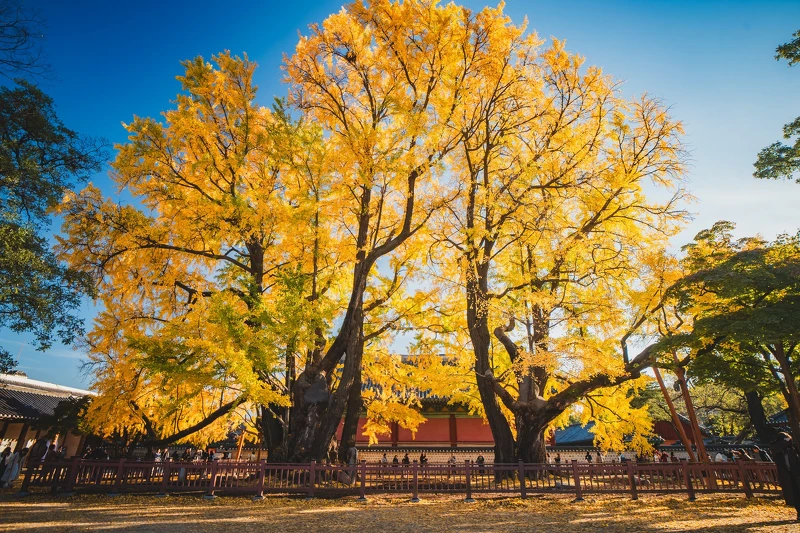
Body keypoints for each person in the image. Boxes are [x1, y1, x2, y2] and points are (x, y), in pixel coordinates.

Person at [770, 432, 800, 521]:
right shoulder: (776, 448)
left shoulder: (792, 448)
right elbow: (776, 448)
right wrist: (785, 441)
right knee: (794, 495)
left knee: (797, 493)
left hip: (795, 474)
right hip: (787, 475)